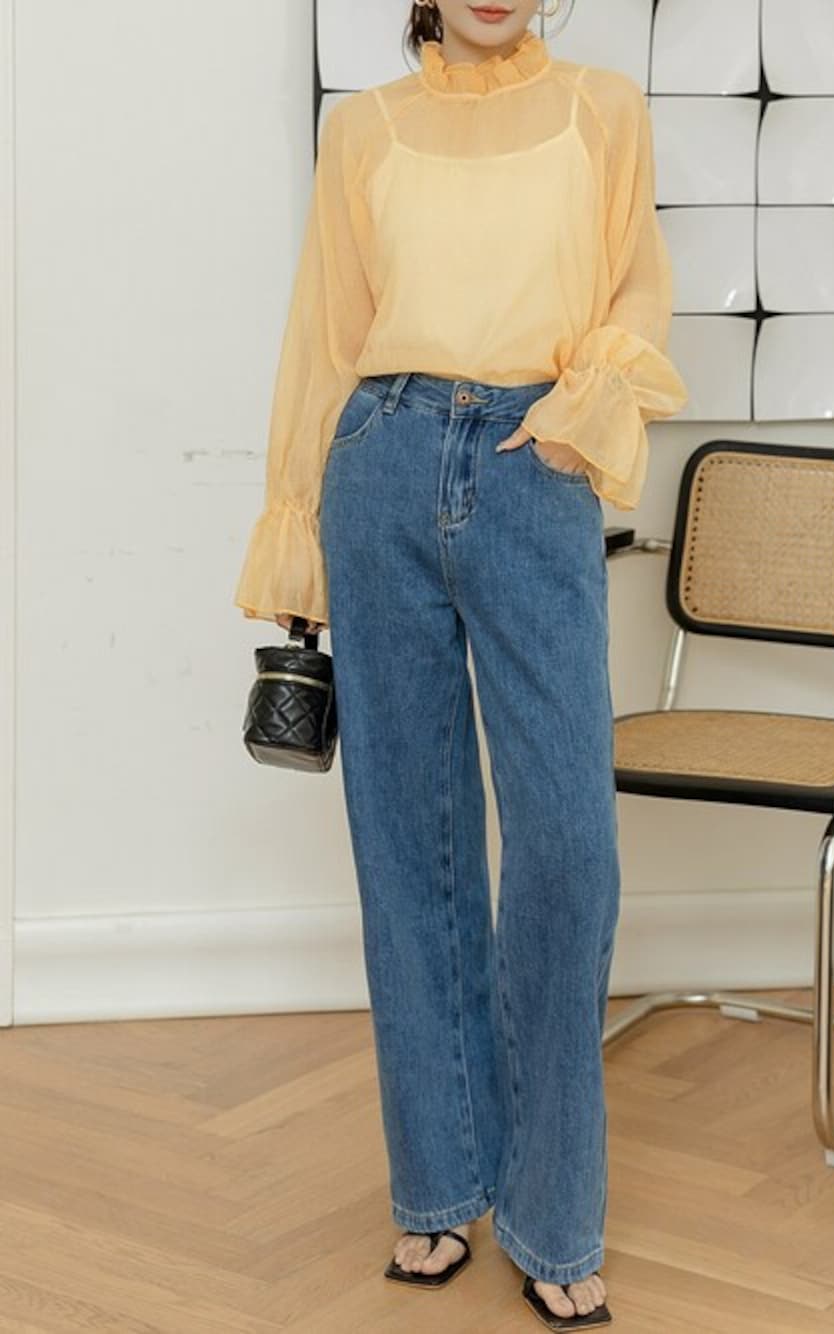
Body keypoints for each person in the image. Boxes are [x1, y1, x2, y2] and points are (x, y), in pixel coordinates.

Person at [233, 0, 688, 1326]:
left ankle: (552, 1209)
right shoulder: (364, 129)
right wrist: (298, 537)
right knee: (409, 835)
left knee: (566, 842)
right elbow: (323, 342)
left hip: (535, 463)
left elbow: (637, 289)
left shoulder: (602, 110)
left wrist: (578, 415)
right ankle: (436, 1186)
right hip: (380, 463)